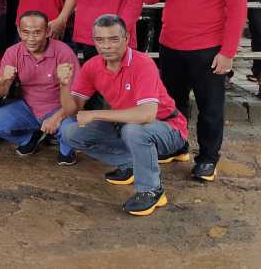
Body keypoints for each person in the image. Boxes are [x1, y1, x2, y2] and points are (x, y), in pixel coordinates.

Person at [143, 0, 247, 182]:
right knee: (173, 103)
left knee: (210, 108)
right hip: (171, 44)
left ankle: (209, 158)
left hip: (208, 48)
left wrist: (227, 53)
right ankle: (177, 146)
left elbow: (238, 11)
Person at [59, 15, 189, 217]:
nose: (106, 46)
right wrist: (64, 85)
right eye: (100, 40)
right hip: (127, 125)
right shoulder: (93, 66)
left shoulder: (143, 64)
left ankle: (151, 190)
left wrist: (95, 113)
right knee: (70, 132)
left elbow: (147, 114)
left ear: (126, 38)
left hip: (168, 128)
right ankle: (131, 163)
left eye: (113, 39)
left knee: (134, 130)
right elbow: (72, 110)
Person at [0, 11, 79, 164]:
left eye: (37, 33)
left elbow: (77, 98)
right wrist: (4, 81)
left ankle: (66, 146)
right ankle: (30, 137)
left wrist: (57, 117)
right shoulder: (13, 52)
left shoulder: (64, 52)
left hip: (59, 108)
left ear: (47, 32)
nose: (31, 39)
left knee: (70, 134)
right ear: (19, 31)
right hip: (28, 108)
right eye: (26, 33)